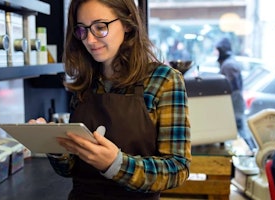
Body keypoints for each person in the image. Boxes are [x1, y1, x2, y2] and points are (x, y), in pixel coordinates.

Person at [29, 0, 191, 199]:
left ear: (127, 24)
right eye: (82, 30)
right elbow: (71, 169)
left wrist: (116, 164)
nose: (89, 39)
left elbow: (177, 169)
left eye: (100, 27)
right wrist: (54, 146)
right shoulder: (86, 82)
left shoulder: (163, 80)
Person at [215, 37, 256, 150]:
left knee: (242, 131)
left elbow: (231, 86)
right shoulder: (229, 63)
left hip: (234, 103)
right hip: (234, 103)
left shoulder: (229, 64)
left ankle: (252, 153)